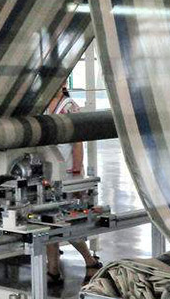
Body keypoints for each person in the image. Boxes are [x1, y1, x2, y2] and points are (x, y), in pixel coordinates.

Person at [45, 85, 103, 287]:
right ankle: (53, 269)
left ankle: (90, 261)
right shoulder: (42, 106)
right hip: (49, 173)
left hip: (68, 173)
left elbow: (78, 143)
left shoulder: (69, 106)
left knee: (65, 222)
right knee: (47, 222)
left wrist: (77, 173)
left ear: (63, 85)